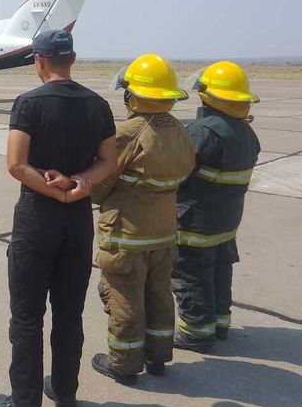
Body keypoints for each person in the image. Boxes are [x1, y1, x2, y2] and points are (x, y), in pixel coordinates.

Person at [0, 29, 116, 407]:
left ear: (38, 61)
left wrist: (54, 188)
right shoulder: (98, 105)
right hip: (77, 221)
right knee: (68, 312)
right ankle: (65, 395)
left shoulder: (29, 103)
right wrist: (79, 186)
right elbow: (108, 162)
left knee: (27, 315)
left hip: (37, 218)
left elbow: (16, 164)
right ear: (72, 59)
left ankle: (24, 405)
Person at [89, 54, 195, 386]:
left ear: (132, 94)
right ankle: (159, 356)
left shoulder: (128, 132)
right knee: (159, 294)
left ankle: (123, 363)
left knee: (125, 297)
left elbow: (101, 180)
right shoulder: (179, 129)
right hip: (164, 233)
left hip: (127, 235)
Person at [172, 61, 261, 352]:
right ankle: (220, 322)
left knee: (192, 275)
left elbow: (178, 172)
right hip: (227, 222)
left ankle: (196, 332)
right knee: (220, 271)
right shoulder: (247, 133)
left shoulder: (203, 131)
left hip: (197, 222)